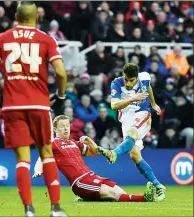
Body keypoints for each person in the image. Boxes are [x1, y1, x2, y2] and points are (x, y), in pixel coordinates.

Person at [0, 2, 67, 217]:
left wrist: (4, 89)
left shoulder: (2, 38)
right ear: (37, 17)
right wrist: (60, 95)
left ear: (16, 16)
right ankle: (55, 209)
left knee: (23, 159)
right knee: (47, 154)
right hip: (39, 104)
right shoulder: (46, 39)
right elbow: (61, 73)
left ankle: (29, 210)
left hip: (13, 106)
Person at [33, 115, 156, 203]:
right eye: (62, 126)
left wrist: (89, 141)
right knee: (112, 194)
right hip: (79, 182)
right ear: (55, 129)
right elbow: (42, 156)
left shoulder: (74, 143)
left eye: (67, 125)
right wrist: (37, 170)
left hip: (92, 176)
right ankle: (145, 198)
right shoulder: (53, 143)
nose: (66, 128)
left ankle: (87, 199)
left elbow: (95, 152)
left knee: (118, 191)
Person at [97, 63, 166, 201]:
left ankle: (114, 153)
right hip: (126, 119)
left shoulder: (145, 77)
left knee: (132, 133)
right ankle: (158, 186)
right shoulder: (117, 83)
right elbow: (114, 105)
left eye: (131, 80)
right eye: (126, 79)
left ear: (137, 77)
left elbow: (148, 88)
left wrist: (153, 104)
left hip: (142, 114)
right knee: (134, 155)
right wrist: (133, 98)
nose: (128, 83)